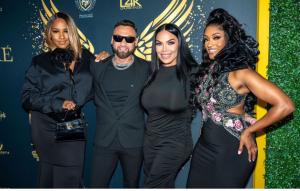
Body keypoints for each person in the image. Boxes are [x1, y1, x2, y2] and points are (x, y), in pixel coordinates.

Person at [187, 8, 295, 188]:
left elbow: (285, 105)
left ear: (229, 39)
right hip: (203, 150)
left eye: (216, 37)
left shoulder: (241, 73)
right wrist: (241, 116)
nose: (209, 44)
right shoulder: (211, 68)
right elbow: (217, 109)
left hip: (232, 152)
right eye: (206, 39)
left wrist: (249, 131)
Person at [21, 12, 95, 188]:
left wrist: (106, 62)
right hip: (46, 126)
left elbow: (97, 85)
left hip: (73, 124)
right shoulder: (39, 62)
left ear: (73, 32)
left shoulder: (86, 58)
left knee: (72, 176)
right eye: (56, 31)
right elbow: (27, 97)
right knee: (48, 175)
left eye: (66, 31)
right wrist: (58, 103)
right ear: (49, 34)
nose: (61, 36)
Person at [89, 19, 150, 188]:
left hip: (134, 141)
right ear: (111, 40)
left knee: (132, 185)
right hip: (104, 140)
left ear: (136, 42)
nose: (123, 43)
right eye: (118, 38)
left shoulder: (147, 68)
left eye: (129, 39)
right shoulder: (97, 66)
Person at [141, 23, 198, 188]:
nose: (164, 49)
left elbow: (221, 94)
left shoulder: (193, 72)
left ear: (180, 43)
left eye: (170, 42)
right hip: (150, 143)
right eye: (159, 43)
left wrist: (239, 117)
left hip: (175, 143)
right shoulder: (151, 72)